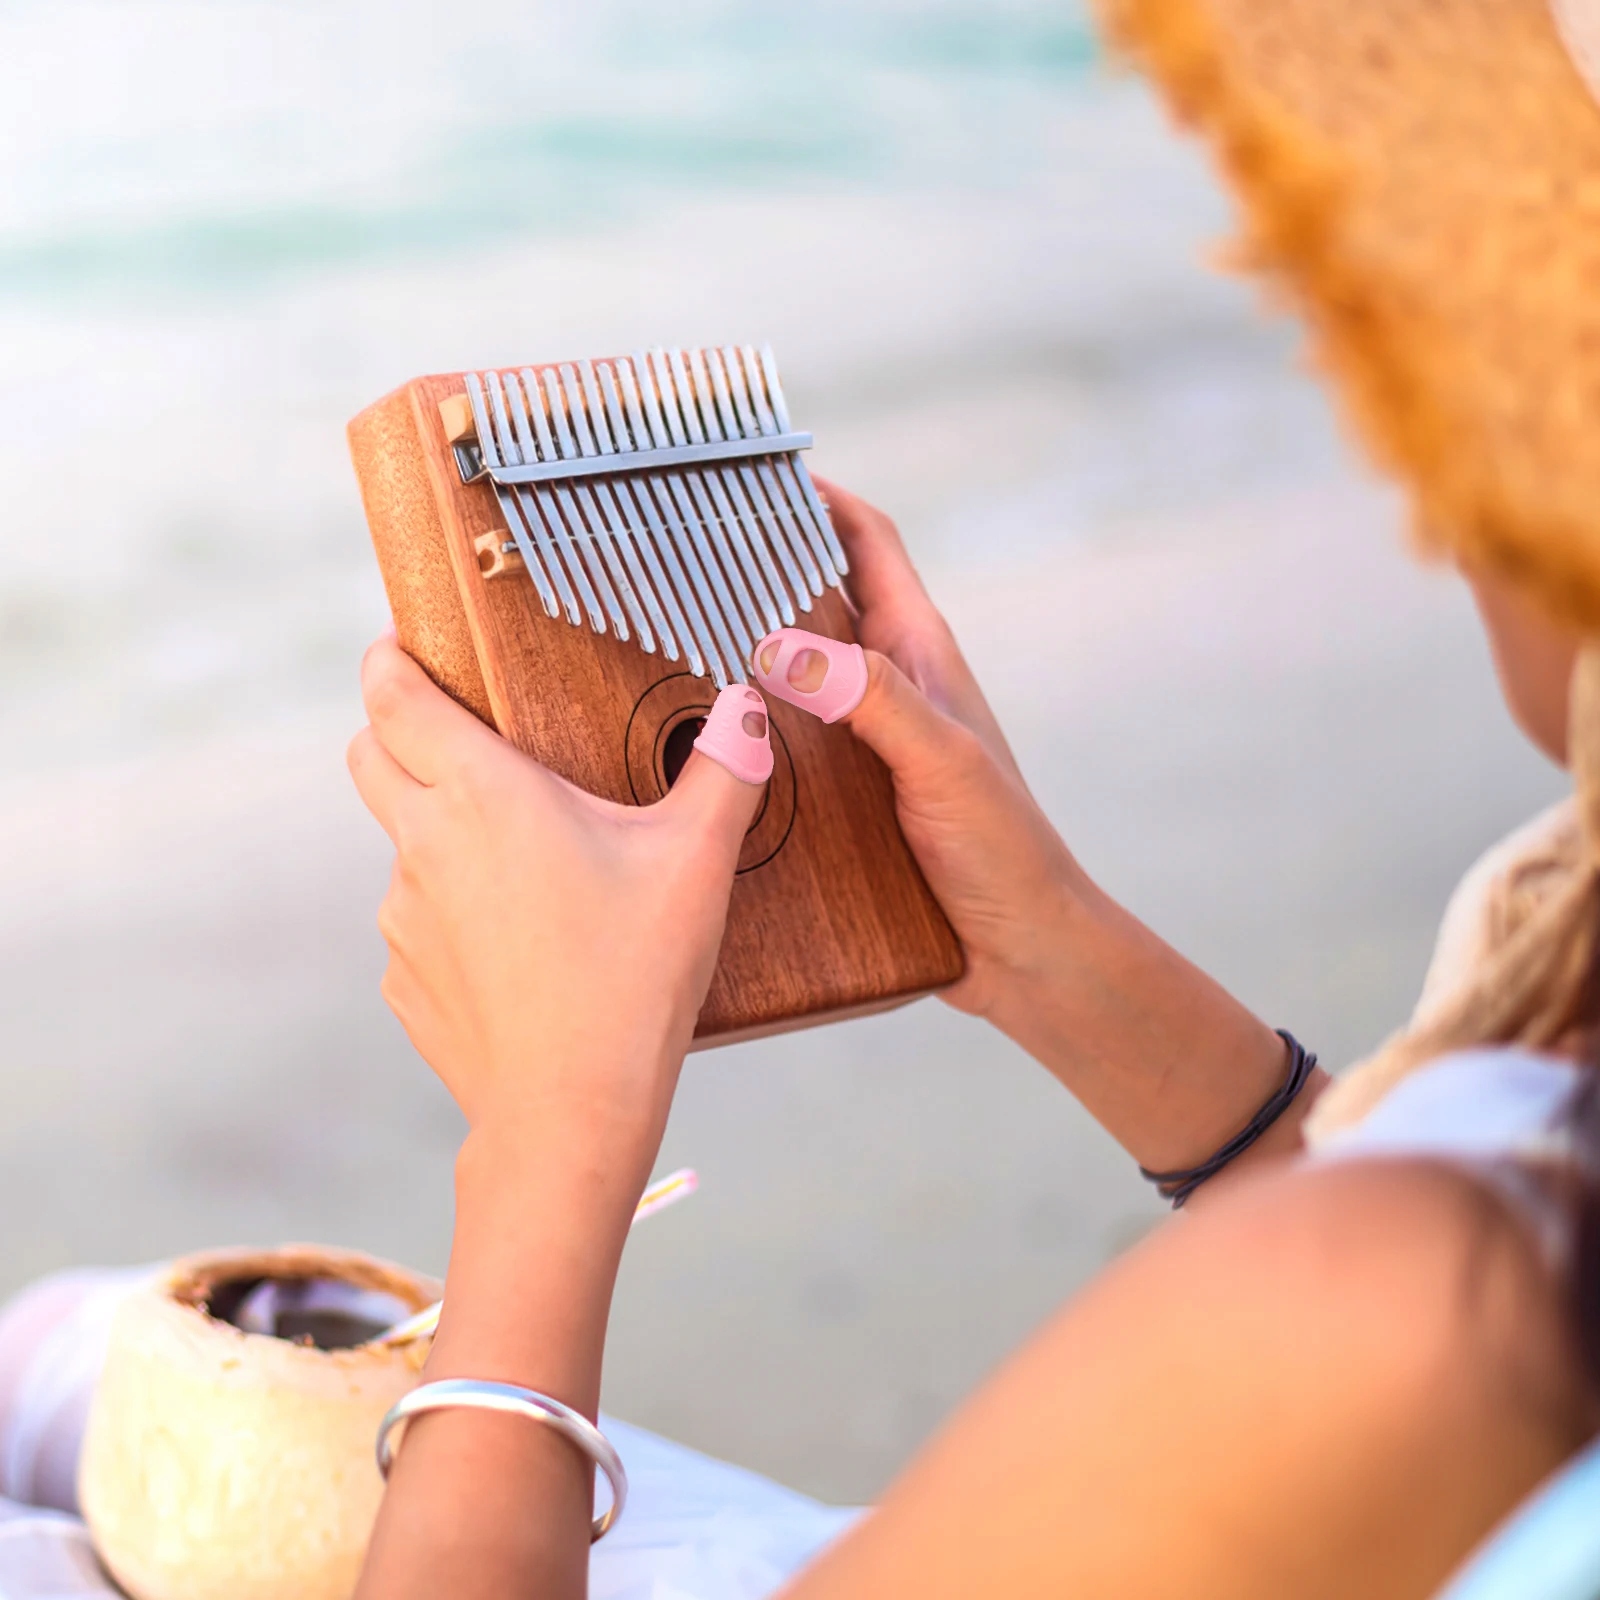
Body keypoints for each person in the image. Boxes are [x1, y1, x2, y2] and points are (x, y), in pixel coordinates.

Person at [3, 0, 1598, 1596]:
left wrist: (554, 1140)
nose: (1440, 471)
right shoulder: (1516, 1184)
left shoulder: (1440, 1295)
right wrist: (1048, 949)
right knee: (62, 1349)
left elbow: (1395, 1317)